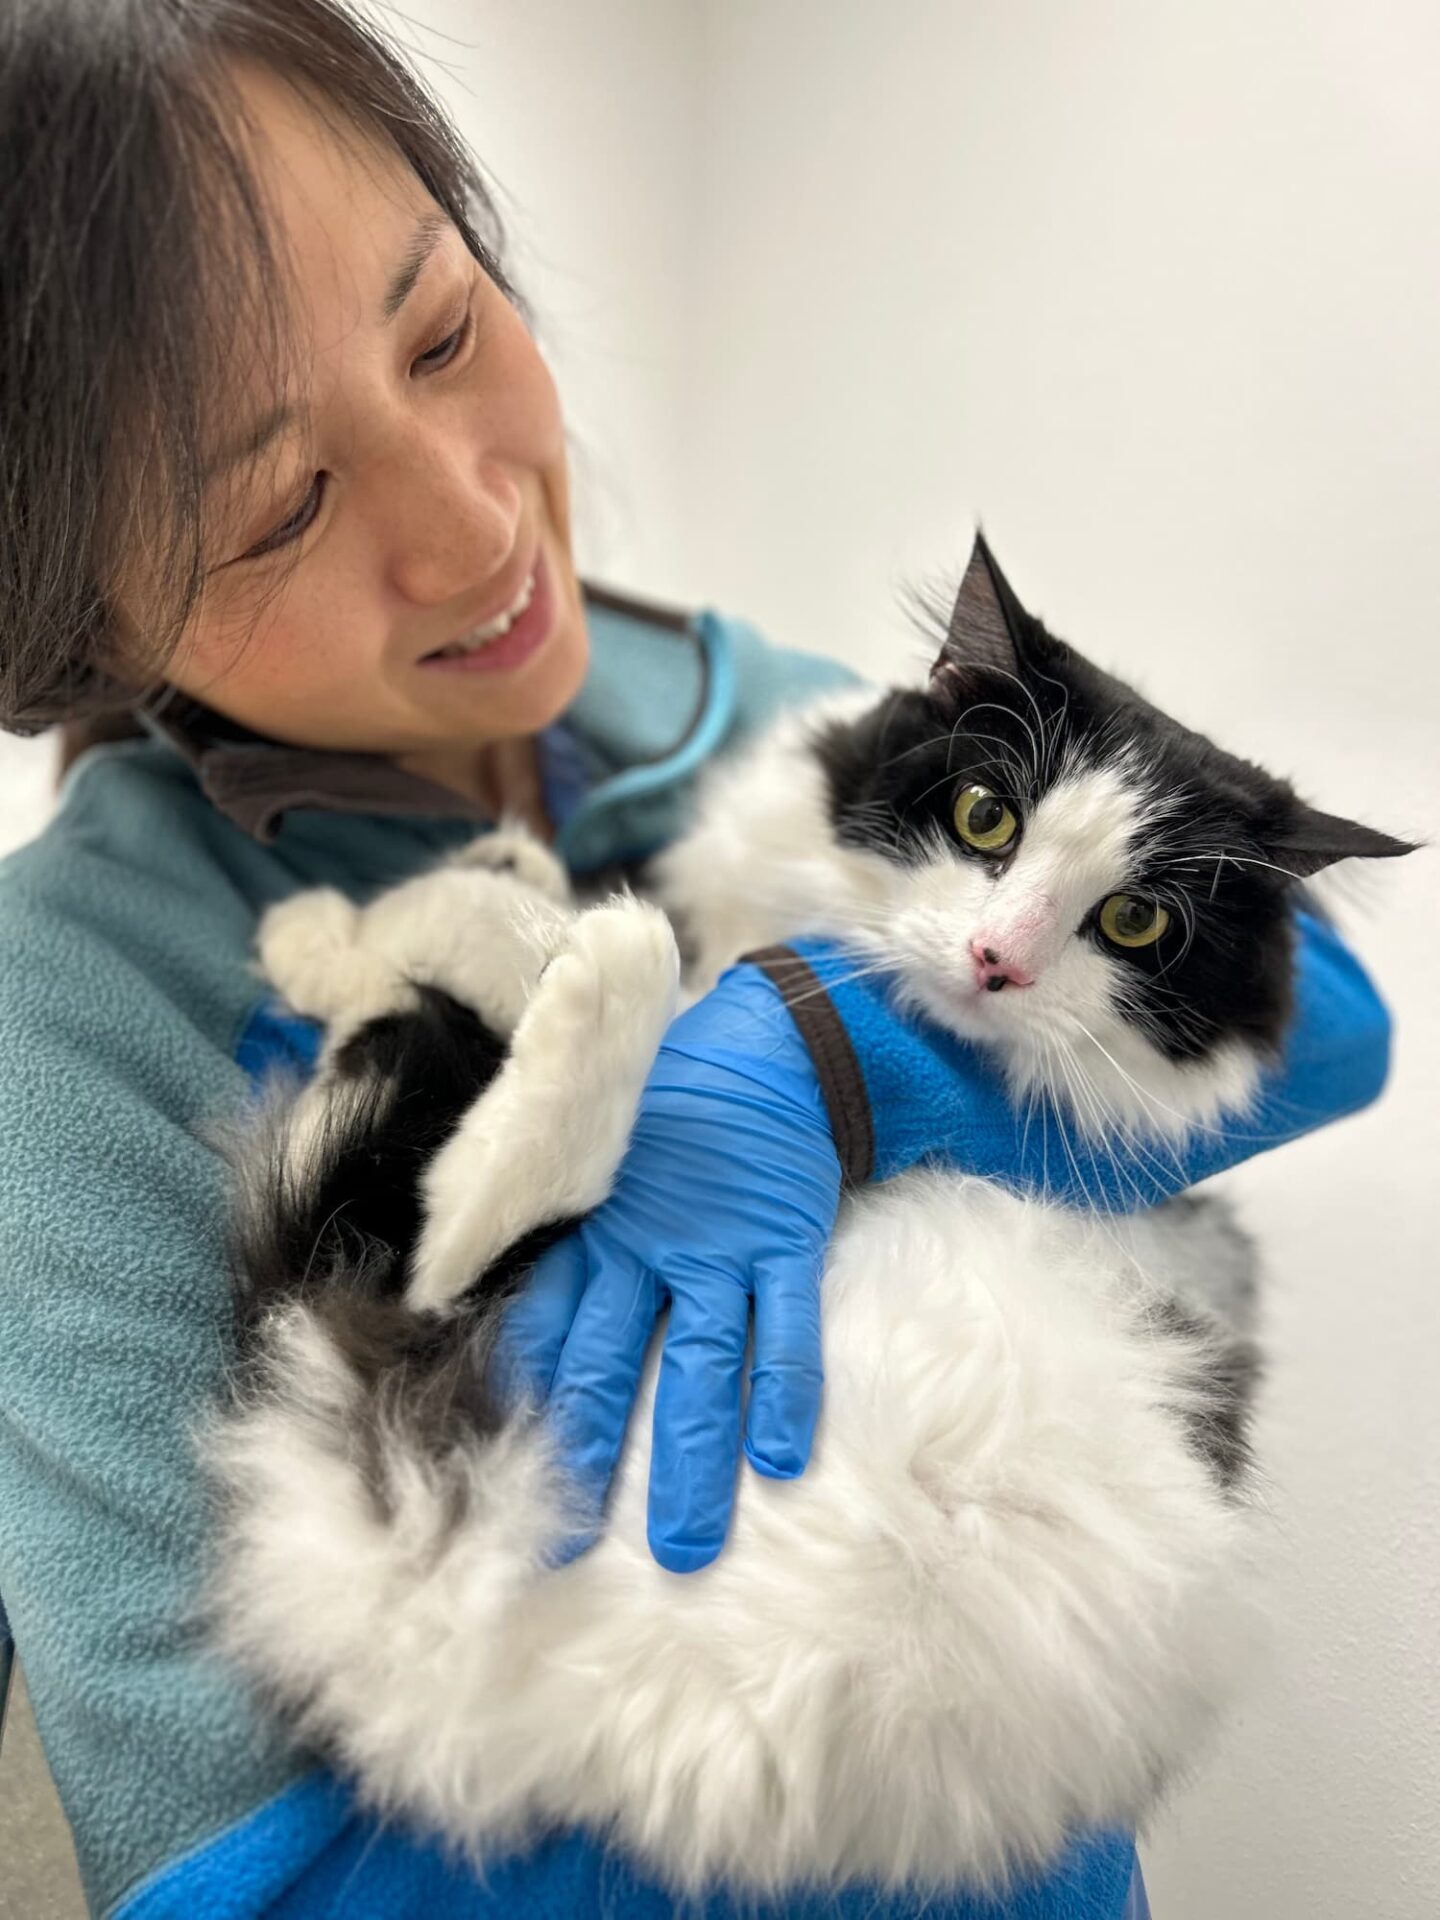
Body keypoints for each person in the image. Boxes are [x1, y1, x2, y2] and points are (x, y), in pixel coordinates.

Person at [0, 5, 1394, 1918]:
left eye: (443, 329)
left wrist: (829, 1053)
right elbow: (239, 1877)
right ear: (84, 617)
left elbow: (1331, 1021)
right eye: (284, 506)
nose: (479, 522)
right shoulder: (75, 1001)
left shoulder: (781, 725)